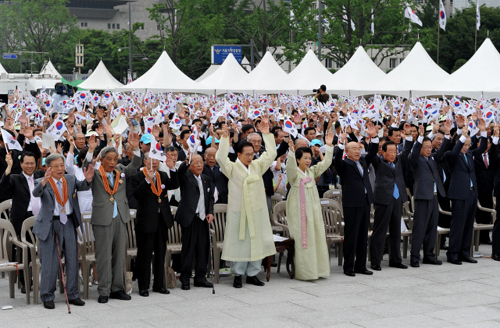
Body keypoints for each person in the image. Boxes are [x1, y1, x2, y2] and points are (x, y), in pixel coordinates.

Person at [215, 116, 277, 288]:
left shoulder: (257, 166)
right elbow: (221, 158)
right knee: (239, 242)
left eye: (252, 154)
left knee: (256, 241)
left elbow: (271, 154)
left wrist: (267, 134)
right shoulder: (232, 168)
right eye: (247, 154)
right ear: (239, 154)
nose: (251, 157)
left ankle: (253, 274)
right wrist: (225, 139)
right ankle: (238, 274)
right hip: (239, 212)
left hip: (256, 211)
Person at [84, 133, 142, 304]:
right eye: (108, 159)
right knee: (103, 256)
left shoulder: (121, 171)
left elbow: (136, 164)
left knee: (119, 255)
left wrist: (136, 148)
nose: (112, 163)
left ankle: (118, 288)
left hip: (120, 217)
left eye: (115, 159)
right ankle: (103, 290)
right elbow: (86, 166)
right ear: (101, 160)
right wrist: (91, 149)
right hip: (103, 219)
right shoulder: (95, 173)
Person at [32, 153, 94, 309]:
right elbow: (36, 193)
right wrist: (45, 182)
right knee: (50, 262)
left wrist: (87, 179)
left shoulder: (70, 179)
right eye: (56, 166)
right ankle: (47, 296)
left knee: (72, 259)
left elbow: (83, 187)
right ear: (48, 168)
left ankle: (73, 294)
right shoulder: (41, 181)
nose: (60, 169)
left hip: (68, 223)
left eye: (62, 165)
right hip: (50, 224)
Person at [436, 120, 488, 265]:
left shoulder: (470, 154)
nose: (466, 147)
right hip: (459, 194)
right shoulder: (452, 155)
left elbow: (482, 147)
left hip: (471, 193)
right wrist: (462, 136)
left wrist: (483, 131)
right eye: (464, 144)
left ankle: (465, 252)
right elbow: (453, 152)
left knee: (468, 225)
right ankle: (453, 254)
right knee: (458, 225)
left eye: (468, 144)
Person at [285, 131, 334, 280]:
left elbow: (326, 163)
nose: (307, 161)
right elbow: (290, 167)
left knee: (316, 238)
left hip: (313, 210)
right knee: (302, 240)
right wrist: (292, 152)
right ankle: (305, 272)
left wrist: (329, 146)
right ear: (298, 159)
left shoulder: (312, 172)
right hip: (298, 211)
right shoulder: (294, 175)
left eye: (309, 158)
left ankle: (318, 270)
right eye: (304, 158)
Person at [130, 152, 179, 296]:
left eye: (157, 159)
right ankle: (143, 286)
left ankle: (159, 284)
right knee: (145, 254)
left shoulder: (162, 175)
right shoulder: (137, 177)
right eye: (151, 159)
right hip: (146, 221)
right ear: (145, 161)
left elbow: (174, 185)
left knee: (160, 253)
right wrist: (146, 181)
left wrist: (172, 169)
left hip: (162, 220)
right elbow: (136, 195)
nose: (155, 162)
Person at [368, 123, 414, 271]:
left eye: (395, 151)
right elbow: (372, 153)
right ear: (383, 152)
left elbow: (406, 151)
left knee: (396, 231)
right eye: (391, 152)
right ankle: (376, 261)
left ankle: (395, 259)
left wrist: (406, 136)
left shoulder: (398, 161)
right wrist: (374, 137)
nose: (394, 154)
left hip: (397, 199)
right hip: (383, 199)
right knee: (380, 231)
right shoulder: (378, 162)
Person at [334, 128, 376, 277]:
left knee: (363, 235)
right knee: (352, 235)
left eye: (358, 148)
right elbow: (336, 160)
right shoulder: (344, 164)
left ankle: (361, 266)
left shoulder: (363, 162)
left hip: (365, 202)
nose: (357, 151)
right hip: (352, 203)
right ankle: (349, 266)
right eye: (353, 149)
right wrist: (340, 142)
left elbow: (372, 153)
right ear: (347, 151)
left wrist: (374, 137)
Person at [0, 151, 44, 293]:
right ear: (21, 164)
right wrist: (8, 167)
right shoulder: (15, 178)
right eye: (27, 163)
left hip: (41, 217)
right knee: (25, 251)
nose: (30, 166)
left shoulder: (40, 176)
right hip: (23, 219)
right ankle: (26, 282)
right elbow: (4, 184)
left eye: (32, 163)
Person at [175, 154, 215, 290]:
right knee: (189, 249)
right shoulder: (186, 177)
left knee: (202, 248)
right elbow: (179, 174)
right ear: (190, 165)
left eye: (201, 163)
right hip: (190, 217)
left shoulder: (206, 179)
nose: (199, 165)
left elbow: (210, 198)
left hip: (203, 218)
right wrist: (185, 163)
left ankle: (200, 277)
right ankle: (185, 277)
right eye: (196, 163)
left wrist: (210, 212)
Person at [408, 125, 445, 267]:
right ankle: (415, 257)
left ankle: (429, 255)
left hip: (434, 196)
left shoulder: (432, 159)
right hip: (422, 197)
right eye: (426, 147)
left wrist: (446, 134)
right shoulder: (415, 158)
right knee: (420, 228)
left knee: (432, 227)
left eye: (430, 147)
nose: (429, 150)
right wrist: (419, 138)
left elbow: (441, 150)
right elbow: (415, 152)